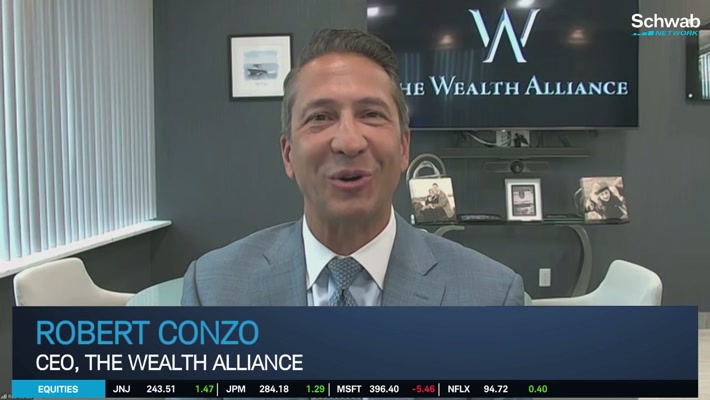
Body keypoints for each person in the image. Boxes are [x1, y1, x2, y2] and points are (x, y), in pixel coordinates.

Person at [181, 28, 523, 307]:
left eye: (371, 114)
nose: (348, 142)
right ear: (288, 155)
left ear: (403, 148)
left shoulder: (491, 297)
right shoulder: (212, 290)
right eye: (320, 117)